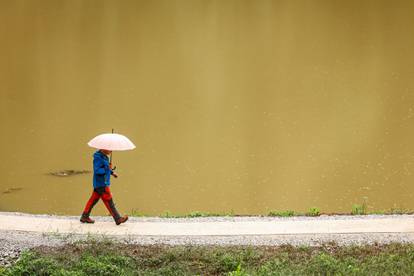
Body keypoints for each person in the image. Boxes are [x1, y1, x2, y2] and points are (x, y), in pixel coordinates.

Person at [80, 149, 128, 225]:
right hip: (101, 183)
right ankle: (118, 219)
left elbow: (106, 168)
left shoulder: (105, 157)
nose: (111, 151)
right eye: (109, 149)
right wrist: (107, 169)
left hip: (100, 183)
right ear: (103, 149)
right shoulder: (98, 158)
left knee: (93, 200)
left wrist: (112, 172)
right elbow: (97, 171)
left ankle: (84, 216)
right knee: (109, 201)